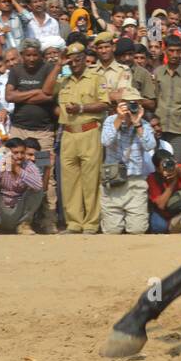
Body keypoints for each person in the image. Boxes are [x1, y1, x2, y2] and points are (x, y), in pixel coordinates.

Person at [5, 39, 59, 233]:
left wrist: (24, 93)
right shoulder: (16, 70)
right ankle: (18, 221)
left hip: (43, 134)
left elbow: (49, 95)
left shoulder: (48, 69)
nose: (31, 58)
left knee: (46, 175)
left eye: (35, 54)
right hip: (18, 131)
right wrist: (37, 91)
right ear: (22, 55)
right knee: (13, 173)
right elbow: (9, 97)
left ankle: (49, 220)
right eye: (27, 54)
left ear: (40, 55)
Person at [55, 42, 108, 234]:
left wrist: (81, 108)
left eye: (78, 59)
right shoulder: (63, 79)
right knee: (69, 182)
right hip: (68, 132)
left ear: (85, 59)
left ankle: (91, 223)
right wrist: (58, 65)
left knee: (90, 181)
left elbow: (104, 103)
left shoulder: (95, 78)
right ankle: (74, 223)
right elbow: (47, 91)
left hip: (89, 131)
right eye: (71, 59)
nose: (75, 63)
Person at [100, 88, 155, 234]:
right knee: (112, 231)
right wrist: (119, 118)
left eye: (135, 104)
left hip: (135, 183)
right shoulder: (110, 121)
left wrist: (137, 124)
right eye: (128, 104)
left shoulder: (144, 124)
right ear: (120, 105)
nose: (131, 108)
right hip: (113, 182)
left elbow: (150, 146)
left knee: (137, 230)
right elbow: (106, 141)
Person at [0, 137, 44, 234]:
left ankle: (24, 225)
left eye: (22, 152)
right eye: (15, 153)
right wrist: (2, 169)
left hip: (19, 211)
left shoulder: (28, 165)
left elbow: (39, 186)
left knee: (37, 189)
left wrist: (17, 170)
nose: (20, 156)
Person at [153, 35, 181, 164]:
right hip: (159, 129)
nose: (175, 54)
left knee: (178, 166)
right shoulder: (158, 72)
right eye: (171, 51)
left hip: (179, 130)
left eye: (178, 51)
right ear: (165, 50)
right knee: (159, 165)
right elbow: (155, 99)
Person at [148, 149, 181, 233]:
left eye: (171, 163)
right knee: (160, 227)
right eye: (164, 165)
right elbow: (161, 205)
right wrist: (173, 182)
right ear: (157, 169)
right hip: (164, 214)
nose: (169, 166)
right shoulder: (152, 178)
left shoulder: (179, 168)